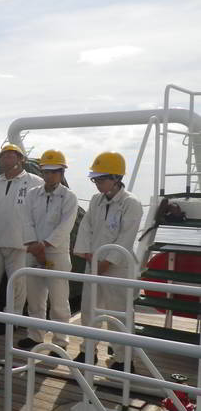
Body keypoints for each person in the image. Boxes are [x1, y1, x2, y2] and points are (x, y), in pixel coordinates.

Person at [74, 151, 143, 370]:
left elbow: (126, 237)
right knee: (88, 309)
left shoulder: (131, 203)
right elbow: (86, 227)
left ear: (115, 178)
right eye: (95, 179)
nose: (97, 184)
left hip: (117, 268)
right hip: (94, 263)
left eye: (101, 179)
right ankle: (88, 350)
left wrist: (106, 262)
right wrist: (87, 254)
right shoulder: (96, 200)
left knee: (119, 313)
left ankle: (124, 359)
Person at [0, 143, 43, 333]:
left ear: (21, 159)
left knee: (17, 284)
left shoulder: (35, 182)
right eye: (4, 156)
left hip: (21, 245)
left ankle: (11, 321)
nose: (6, 158)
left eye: (11, 155)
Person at [19, 150, 78, 353]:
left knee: (59, 300)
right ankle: (35, 335)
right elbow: (26, 221)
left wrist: (43, 246)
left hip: (56, 254)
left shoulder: (69, 197)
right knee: (35, 299)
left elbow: (65, 226)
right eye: (46, 171)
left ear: (62, 173)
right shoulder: (32, 195)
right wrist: (36, 248)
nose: (49, 175)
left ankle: (60, 341)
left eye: (54, 171)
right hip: (33, 250)